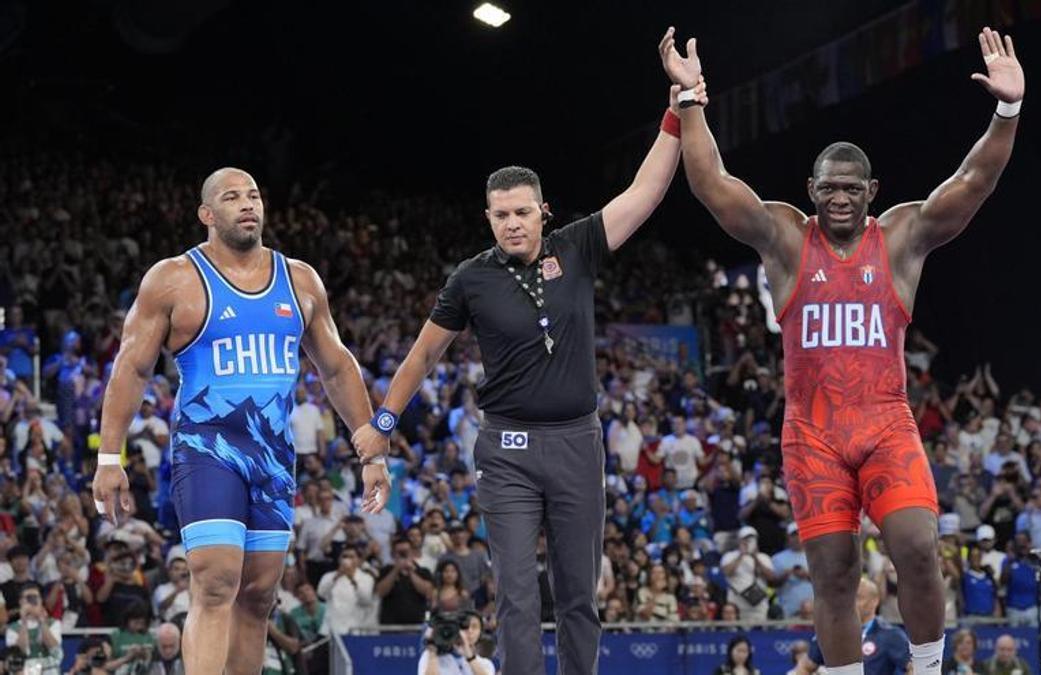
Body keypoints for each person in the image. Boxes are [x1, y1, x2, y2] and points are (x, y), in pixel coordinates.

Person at [666, 23, 1024, 675]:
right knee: (833, 574)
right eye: (828, 187)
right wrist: (690, 102)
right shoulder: (782, 238)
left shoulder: (899, 239)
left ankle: (926, 664)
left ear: (871, 192)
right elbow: (712, 185)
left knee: (917, 546)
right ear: (811, 188)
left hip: (887, 424)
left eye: (850, 189)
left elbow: (972, 183)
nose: (838, 198)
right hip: (814, 435)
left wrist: (1007, 110)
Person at [353, 32, 691, 675]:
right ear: (488, 218)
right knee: (513, 595)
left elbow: (646, 191)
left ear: (544, 212)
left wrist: (678, 104)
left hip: (576, 442)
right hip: (506, 449)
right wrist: (384, 425)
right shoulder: (470, 279)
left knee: (577, 597)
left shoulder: (580, 246)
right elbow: (422, 357)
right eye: (501, 215)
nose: (512, 223)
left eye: (523, 213)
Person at [91, 167, 388, 675]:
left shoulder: (299, 279)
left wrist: (372, 450)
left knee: (257, 597)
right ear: (207, 214)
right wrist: (109, 455)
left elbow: (337, 366)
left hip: (272, 454)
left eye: (253, 195)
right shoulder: (173, 279)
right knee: (214, 582)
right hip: (207, 449)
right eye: (232, 197)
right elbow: (132, 368)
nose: (247, 204)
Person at [797, 578, 911, 675]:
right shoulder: (831, 632)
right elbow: (805, 667)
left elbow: (913, 668)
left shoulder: (890, 634)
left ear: (874, 601)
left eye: (858, 598)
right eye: (848, 598)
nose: (851, 603)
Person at [720, 526, 777, 623]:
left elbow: (771, 577)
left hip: (758, 602)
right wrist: (741, 555)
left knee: (759, 629)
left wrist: (755, 557)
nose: (748, 542)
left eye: (751, 539)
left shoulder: (763, 557)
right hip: (736, 602)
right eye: (745, 539)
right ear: (739, 540)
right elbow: (726, 572)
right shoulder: (730, 556)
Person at [3, 582, 62, 669]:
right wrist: (24, 622)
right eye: (28, 598)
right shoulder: (12, 629)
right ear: (20, 601)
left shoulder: (53, 623)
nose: (32, 601)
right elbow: (18, 655)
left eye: (35, 597)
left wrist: (41, 620)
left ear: (41, 600)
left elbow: (54, 650)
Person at [417, 611, 495, 675]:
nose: (469, 631)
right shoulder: (430, 656)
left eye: (474, 627)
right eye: (465, 627)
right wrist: (432, 651)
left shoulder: (485, 664)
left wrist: (469, 657)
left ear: (480, 633)